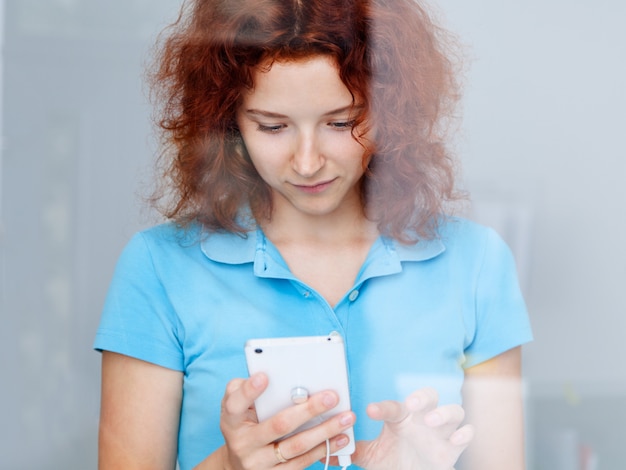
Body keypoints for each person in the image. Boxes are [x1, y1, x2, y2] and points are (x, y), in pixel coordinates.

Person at [94, 0, 533, 469]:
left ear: (392, 110)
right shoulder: (160, 269)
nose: (307, 162)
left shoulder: (476, 263)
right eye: (273, 126)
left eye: (341, 123)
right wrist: (228, 466)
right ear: (230, 122)